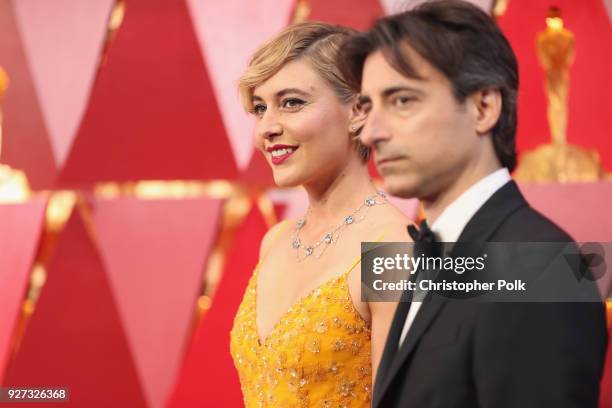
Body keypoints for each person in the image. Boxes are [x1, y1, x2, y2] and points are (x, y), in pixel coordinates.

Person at [339, 1, 608, 407]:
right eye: (368, 106)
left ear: (484, 107)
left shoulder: (542, 269)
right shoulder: (432, 252)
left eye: (402, 101)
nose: (372, 131)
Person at [229, 22, 409, 407]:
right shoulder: (275, 240)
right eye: (260, 108)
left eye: (292, 102)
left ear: (359, 111)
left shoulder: (394, 250)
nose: (268, 128)